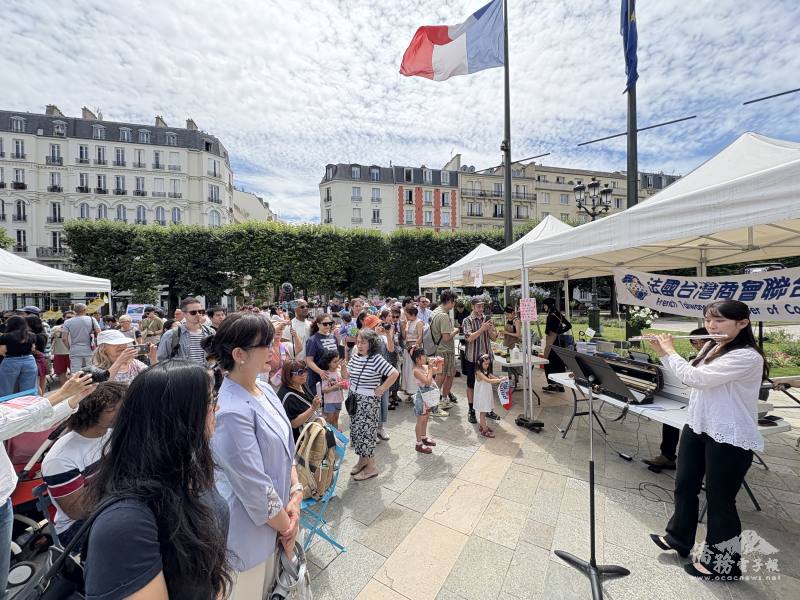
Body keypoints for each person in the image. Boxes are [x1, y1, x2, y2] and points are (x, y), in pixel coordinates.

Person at [84, 361, 232, 599]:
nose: (218, 407)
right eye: (210, 400)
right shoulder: (126, 522)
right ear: (180, 418)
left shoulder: (186, 473)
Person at [647, 300, 766, 580]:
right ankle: (678, 538)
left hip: (729, 434)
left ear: (742, 324)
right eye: (709, 320)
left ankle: (723, 565)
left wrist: (669, 351)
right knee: (684, 484)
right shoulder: (712, 345)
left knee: (719, 500)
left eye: (720, 321)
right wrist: (664, 354)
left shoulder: (748, 357)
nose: (712, 326)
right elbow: (690, 374)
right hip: (699, 424)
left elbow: (697, 378)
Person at [203, 313, 301, 598]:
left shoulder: (267, 390)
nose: (274, 349)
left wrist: (296, 492)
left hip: (280, 519)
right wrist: (288, 527)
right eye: (266, 344)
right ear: (239, 354)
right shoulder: (231, 411)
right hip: (249, 534)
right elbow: (254, 486)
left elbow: (287, 450)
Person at [0, 372, 96, 594]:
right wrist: (62, 393)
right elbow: (8, 424)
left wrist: (73, 399)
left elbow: (30, 421)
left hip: (3, 501)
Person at [42, 381, 126, 546]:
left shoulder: (111, 432)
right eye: (111, 410)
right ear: (91, 413)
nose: (122, 413)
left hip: (112, 506)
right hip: (76, 529)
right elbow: (78, 511)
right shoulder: (60, 458)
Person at [643, 327, 708, 471]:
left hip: (709, 410)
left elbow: (695, 378)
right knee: (670, 420)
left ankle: (703, 467)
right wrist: (660, 351)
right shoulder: (695, 360)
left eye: (702, 342)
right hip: (691, 401)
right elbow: (678, 373)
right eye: (694, 343)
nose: (699, 346)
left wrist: (670, 350)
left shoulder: (719, 360)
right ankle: (667, 456)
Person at [342, 329, 399, 481]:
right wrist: (342, 366)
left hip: (368, 401)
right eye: (358, 342)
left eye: (363, 343)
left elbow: (394, 373)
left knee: (366, 433)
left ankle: (371, 467)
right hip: (354, 398)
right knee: (357, 432)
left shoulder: (376, 359)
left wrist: (382, 388)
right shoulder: (356, 357)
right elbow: (346, 376)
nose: (359, 345)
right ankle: (362, 461)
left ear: (371, 344)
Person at [462, 297, 498, 425]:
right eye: (478, 306)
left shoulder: (486, 320)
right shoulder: (467, 320)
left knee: (487, 384)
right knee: (471, 385)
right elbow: (469, 338)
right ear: (472, 307)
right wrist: (481, 329)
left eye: (482, 306)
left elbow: (494, 338)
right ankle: (471, 410)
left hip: (486, 358)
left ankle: (488, 409)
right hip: (473, 358)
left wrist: (490, 329)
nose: (481, 309)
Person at [363, 314, 396, 440]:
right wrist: (375, 336)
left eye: (380, 324)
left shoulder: (382, 337)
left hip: (383, 375)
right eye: (377, 325)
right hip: (371, 376)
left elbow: (391, 349)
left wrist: (388, 334)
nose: (380, 326)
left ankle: (380, 427)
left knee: (383, 403)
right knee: (373, 405)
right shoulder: (365, 340)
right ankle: (372, 430)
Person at [157, 297, 214, 364]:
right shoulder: (170, 335)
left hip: (206, 373)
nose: (198, 314)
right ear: (184, 314)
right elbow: (162, 360)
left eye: (201, 311)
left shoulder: (211, 332)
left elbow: (215, 356)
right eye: (193, 312)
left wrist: (211, 369)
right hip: (181, 373)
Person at [430, 290, 461, 410]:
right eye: (454, 301)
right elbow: (446, 337)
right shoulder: (443, 315)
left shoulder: (435, 311)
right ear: (449, 301)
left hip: (439, 349)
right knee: (444, 376)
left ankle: (437, 400)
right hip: (445, 350)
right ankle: (439, 401)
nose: (454, 304)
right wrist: (456, 330)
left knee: (441, 375)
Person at [278, 359, 322, 441]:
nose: (305, 374)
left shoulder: (302, 384)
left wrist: (316, 403)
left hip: (311, 432)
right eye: (300, 372)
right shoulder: (287, 396)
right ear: (288, 375)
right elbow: (294, 423)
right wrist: (312, 408)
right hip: (300, 440)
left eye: (305, 370)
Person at [410, 348, 440, 454]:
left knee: (426, 417)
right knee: (420, 420)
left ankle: (423, 437)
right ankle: (418, 444)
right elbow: (427, 382)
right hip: (422, 398)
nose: (426, 357)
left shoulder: (424, 366)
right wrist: (431, 367)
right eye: (424, 355)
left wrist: (440, 363)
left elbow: (439, 371)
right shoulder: (416, 371)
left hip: (427, 397)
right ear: (418, 359)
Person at [0, 315, 38, 397]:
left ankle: (6, 407)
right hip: (29, 360)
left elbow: (2, 351)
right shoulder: (31, 335)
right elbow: (33, 349)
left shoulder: (5, 336)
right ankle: (28, 407)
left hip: (11, 361)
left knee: (6, 388)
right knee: (29, 389)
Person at [541, 297, 571, 394]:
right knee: (559, 364)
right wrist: (559, 331)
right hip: (559, 342)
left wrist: (554, 331)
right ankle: (560, 385)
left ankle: (552, 385)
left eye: (544, 305)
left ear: (548, 305)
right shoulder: (558, 314)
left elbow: (547, 331)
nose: (544, 307)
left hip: (552, 343)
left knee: (548, 363)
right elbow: (569, 325)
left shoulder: (550, 316)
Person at [304, 314, 339, 395]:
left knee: (332, 404)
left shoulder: (333, 338)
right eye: (325, 324)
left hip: (332, 379)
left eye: (330, 323)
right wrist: (320, 372)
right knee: (320, 404)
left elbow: (337, 356)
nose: (328, 326)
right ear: (318, 324)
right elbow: (309, 361)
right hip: (317, 378)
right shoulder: (312, 340)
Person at [62, 302, 100, 373]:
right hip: (90, 348)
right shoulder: (92, 319)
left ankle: (76, 384)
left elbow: (64, 339)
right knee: (91, 370)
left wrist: (69, 348)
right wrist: (97, 345)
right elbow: (99, 333)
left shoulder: (67, 322)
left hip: (75, 349)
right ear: (85, 310)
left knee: (75, 372)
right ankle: (91, 383)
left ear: (74, 311)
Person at [474, 353, 503, 438]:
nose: (487, 365)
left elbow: (492, 377)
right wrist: (499, 380)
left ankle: (482, 426)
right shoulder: (479, 372)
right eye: (485, 364)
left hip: (486, 395)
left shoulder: (486, 371)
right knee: (483, 413)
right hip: (481, 396)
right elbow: (488, 380)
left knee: (485, 411)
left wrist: (500, 379)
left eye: (488, 364)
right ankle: (484, 430)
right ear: (479, 363)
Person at [401, 305, 423, 399]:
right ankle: (409, 391)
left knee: (413, 371)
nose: (406, 316)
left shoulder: (419, 322)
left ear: (413, 314)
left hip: (414, 349)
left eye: (407, 314)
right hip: (408, 348)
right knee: (407, 370)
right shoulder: (408, 322)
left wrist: (414, 346)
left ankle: (415, 392)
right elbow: (405, 336)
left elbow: (420, 337)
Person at [319, 350, 345, 429]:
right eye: (335, 362)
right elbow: (323, 390)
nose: (338, 363)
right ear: (328, 363)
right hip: (329, 401)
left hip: (338, 400)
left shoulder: (339, 371)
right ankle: (330, 438)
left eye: (338, 360)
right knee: (329, 421)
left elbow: (343, 383)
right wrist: (335, 386)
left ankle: (336, 437)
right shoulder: (326, 374)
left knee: (336, 419)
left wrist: (344, 385)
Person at [26, 314, 49, 395]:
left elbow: (35, 350)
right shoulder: (43, 334)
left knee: (36, 383)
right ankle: (42, 399)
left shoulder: (35, 336)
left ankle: (40, 399)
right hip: (41, 359)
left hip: (35, 359)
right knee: (41, 381)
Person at [50, 314, 73, 385]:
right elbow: (49, 337)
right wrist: (57, 331)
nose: (69, 319)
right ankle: (66, 391)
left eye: (71, 317)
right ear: (63, 318)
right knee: (61, 373)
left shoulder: (77, 327)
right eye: (68, 317)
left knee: (75, 372)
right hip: (59, 353)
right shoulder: (56, 328)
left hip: (73, 353)